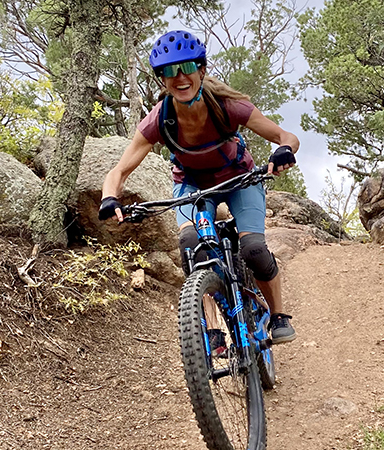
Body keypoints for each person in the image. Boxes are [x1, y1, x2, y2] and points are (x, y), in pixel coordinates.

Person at [99, 30, 298, 345]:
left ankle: (278, 315)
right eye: (168, 71)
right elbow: (119, 170)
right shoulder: (159, 120)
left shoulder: (226, 106)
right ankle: (213, 326)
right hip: (192, 185)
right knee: (193, 246)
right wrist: (109, 198)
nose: (179, 77)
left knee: (254, 250)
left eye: (187, 67)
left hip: (238, 179)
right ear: (161, 79)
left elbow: (285, 136)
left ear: (201, 70)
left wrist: (284, 151)